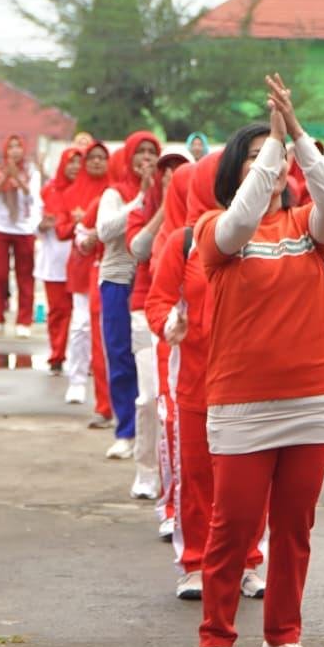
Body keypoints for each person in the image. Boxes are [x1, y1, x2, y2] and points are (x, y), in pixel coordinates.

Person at [189, 76, 324, 647]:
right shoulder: (214, 232)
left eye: (275, 157)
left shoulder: (309, 227)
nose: (272, 165)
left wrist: (298, 137)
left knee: (294, 528)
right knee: (231, 528)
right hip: (243, 404)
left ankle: (282, 634)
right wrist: (273, 145)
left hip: (314, 397)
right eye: (257, 158)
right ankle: (216, 634)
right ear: (236, 171)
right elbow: (240, 221)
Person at [146, 152, 267, 602]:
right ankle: (195, 562)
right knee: (196, 477)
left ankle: (248, 560)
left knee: (248, 477)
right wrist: (168, 325)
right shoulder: (183, 243)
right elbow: (157, 302)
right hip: (195, 380)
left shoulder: (257, 234)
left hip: (250, 381)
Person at [127, 146, 191, 499]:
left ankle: (178, 481)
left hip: (188, 318)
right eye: (167, 171)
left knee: (180, 405)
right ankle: (147, 470)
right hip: (145, 310)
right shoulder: (143, 209)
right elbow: (137, 247)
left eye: (179, 171)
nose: (171, 175)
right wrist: (167, 208)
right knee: (150, 397)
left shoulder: (206, 217)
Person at [97, 132, 161, 460]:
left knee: (151, 360)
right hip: (118, 280)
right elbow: (105, 230)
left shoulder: (167, 191)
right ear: (128, 157)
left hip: (154, 283)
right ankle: (126, 431)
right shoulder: (114, 192)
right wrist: (140, 200)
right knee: (120, 356)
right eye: (141, 152)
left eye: (152, 152)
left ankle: (155, 431)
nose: (146, 158)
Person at [59, 137, 111, 408]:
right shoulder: (69, 193)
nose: (96, 162)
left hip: (112, 266)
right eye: (91, 157)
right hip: (82, 266)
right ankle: (77, 380)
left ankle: (107, 388)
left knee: (107, 330)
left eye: (102, 157)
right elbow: (62, 228)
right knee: (81, 325)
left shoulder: (115, 191)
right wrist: (78, 224)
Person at [0, 134, 40, 337]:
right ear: (5, 151)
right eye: (11, 147)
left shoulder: (32, 172)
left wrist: (18, 178)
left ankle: (24, 320)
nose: (15, 150)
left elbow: (32, 197)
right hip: (0, 226)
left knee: (25, 276)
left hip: (24, 229)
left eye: (18, 146)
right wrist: (6, 176)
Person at [37, 145, 82, 375]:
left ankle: (83, 359)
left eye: (78, 162)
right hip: (54, 263)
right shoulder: (49, 191)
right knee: (58, 312)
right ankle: (57, 356)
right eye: (71, 162)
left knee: (83, 316)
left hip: (81, 260)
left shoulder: (88, 191)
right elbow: (33, 222)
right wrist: (41, 226)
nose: (75, 167)